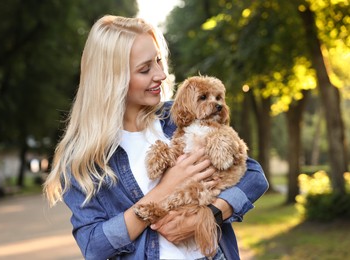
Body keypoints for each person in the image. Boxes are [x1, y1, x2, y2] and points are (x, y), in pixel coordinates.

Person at [43, 15, 268, 260]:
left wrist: (210, 214)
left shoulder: (178, 118)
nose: (161, 75)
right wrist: (162, 191)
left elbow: (254, 177)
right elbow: (94, 245)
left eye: (159, 61)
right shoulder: (82, 158)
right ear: (112, 78)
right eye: (145, 69)